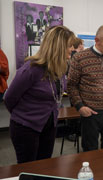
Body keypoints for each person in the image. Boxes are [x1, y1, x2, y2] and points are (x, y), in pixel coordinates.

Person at [4, 26, 75, 163]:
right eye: (69, 45)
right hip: (26, 128)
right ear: (58, 47)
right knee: (29, 169)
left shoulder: (59, 68)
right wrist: (24, 116)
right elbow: (9, 98)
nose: (72, 49)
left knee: (43, 166)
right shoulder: (32, 68)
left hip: (49, 126)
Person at [67, 24, 103, 151]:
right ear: (97, 40)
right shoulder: (80, 57)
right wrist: (80, 106)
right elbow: (71, 85)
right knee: (90, 150)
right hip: (91, 113)